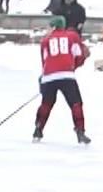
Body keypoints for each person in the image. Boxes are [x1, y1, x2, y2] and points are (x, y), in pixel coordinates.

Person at [33, 15, 91, 145]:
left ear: (54, 27)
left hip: (48, 76)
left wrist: (43, 79)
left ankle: (38, 128)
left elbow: (45, 61)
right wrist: (73, 65)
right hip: (66, 75)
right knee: (76, 103)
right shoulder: (72, 36)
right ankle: (80, 132)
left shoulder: (45, 41)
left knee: (46, 104)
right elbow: (79, 55)